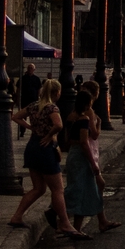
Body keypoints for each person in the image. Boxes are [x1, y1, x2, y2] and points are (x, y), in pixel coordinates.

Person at [8, 79, 79, 240]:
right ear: (56, 93)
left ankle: (17, 216)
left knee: (38, 188)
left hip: (33, 146)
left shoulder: (34, 106)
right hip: (46, 148)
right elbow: (58, 125)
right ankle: (65, 223)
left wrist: (30, 127)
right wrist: (48, 135)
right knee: (58, 189)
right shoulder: (51, 108)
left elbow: (16, 117)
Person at [61, 86, 117, 236]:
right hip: (82, 155)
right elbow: (85, 142)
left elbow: (66, 140)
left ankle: (81, 226)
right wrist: (93, 164)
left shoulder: (70, 117)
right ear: (87, 103)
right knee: (78, 190)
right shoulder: (84, 118)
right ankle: (58, 212)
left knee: (81, 189)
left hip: (73, 153)